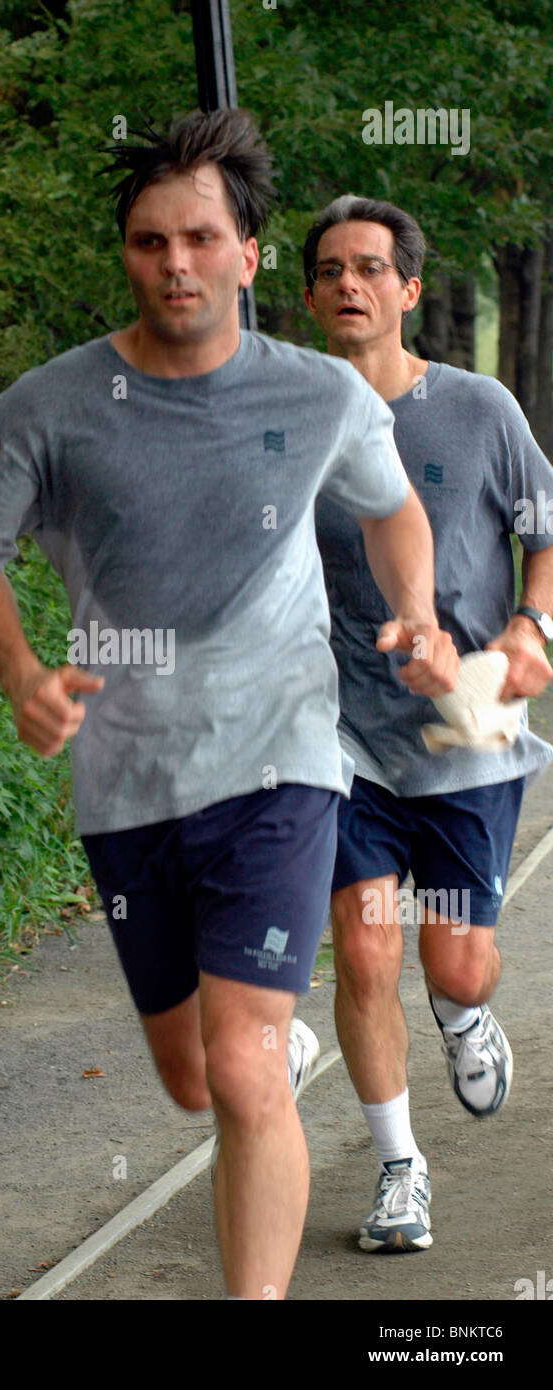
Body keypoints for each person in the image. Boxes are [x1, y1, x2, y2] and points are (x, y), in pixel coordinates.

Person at [0, 111, 458, 1299]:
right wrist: (19, 672)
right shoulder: (53, 407)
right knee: (195, 1081)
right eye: (151, 241)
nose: (177, 264)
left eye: (202, 239)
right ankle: (256, 1048)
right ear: (126, 253)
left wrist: (414, 609)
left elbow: (394, 505)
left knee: (248, 1073)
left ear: (249, 255)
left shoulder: (318, 395)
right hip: (129, 785)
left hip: (281, 765)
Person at [304, 195, 553, 1252]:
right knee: (363, 952)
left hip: (466, 731)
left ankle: (462, 1012)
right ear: (310, 295)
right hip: (338, 733)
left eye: (371, 267)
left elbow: (546, 531)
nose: (349, 283)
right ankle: (401, 1169)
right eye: (330, 270)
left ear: (408, 289)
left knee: (452, 961)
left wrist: (533, 624)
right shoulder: (286, 417)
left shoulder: (481, 410)